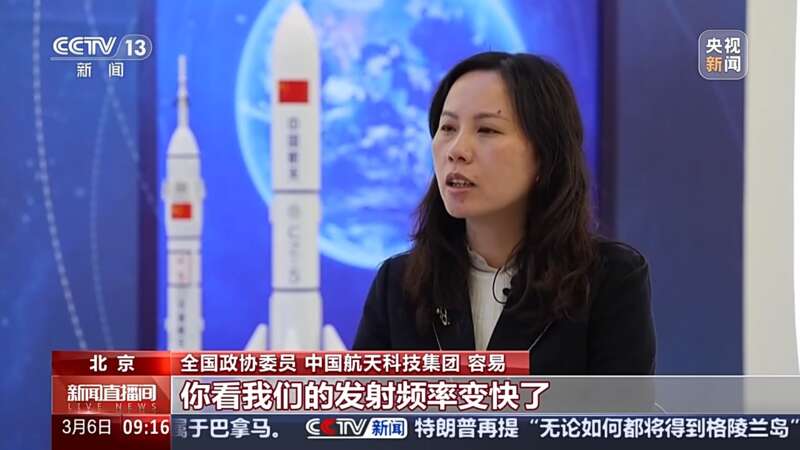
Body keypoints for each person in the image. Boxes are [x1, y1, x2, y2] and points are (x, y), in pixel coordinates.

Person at [352, 52, 656, 375]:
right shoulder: (399, 283)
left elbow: (618, 409)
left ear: (545, 156)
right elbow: (362, 408)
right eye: (448, 128)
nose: (457, 150)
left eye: (487, 130)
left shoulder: (609, 280)